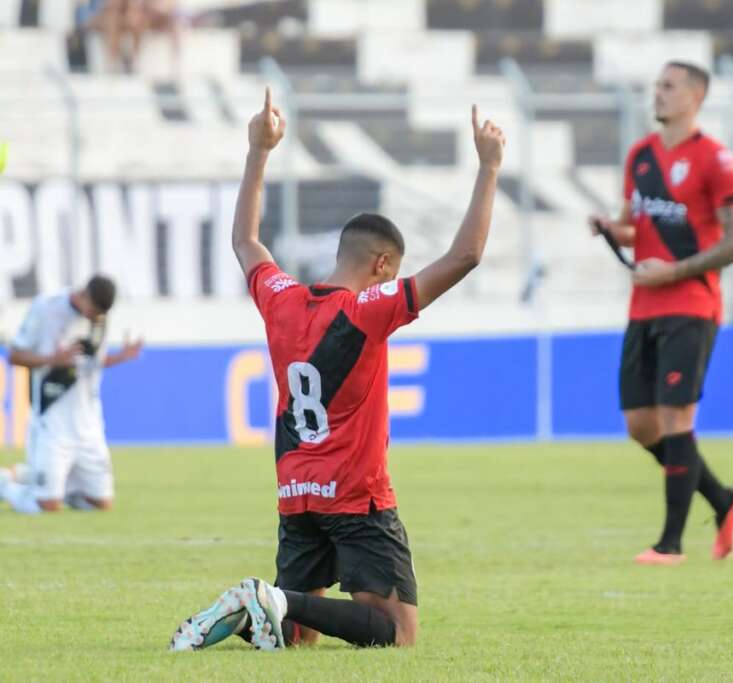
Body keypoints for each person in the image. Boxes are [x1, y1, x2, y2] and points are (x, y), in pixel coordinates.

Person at [169, 88, 506, 651]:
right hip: (356, 494)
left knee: (298, 639)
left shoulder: (280, 298)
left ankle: (260, 610)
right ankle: (272, 598)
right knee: (398, 633)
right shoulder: (369, 310)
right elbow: (464, 256)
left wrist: (258, 150)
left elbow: (245, 240)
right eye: (390, 271)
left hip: (295, 493)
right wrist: (489, 167)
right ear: (382, 264)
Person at [589, 61, 733, 565]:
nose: (657, 93)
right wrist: (610, 229)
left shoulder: (716, 159)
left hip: (691, 305)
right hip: (644, 306)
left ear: (695, 97)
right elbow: (633, 227)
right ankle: (724, 501)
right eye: (656, 85)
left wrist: (674, 271)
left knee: (676, 418)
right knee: (641, 425)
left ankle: (671, 544)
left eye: (668, 86)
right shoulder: (640, 156)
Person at [0, 275, 143, 513]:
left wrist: (120, 357)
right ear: (85, 296)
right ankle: (4, 485)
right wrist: (53, 360)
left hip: (88, 424)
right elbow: (15, 356)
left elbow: (90, 363)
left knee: (100, 505)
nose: (96, 318)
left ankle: (38, 478)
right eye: (94, 312)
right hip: (52, 421)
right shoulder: (46, 308)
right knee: (45, 506)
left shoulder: (99, 318)